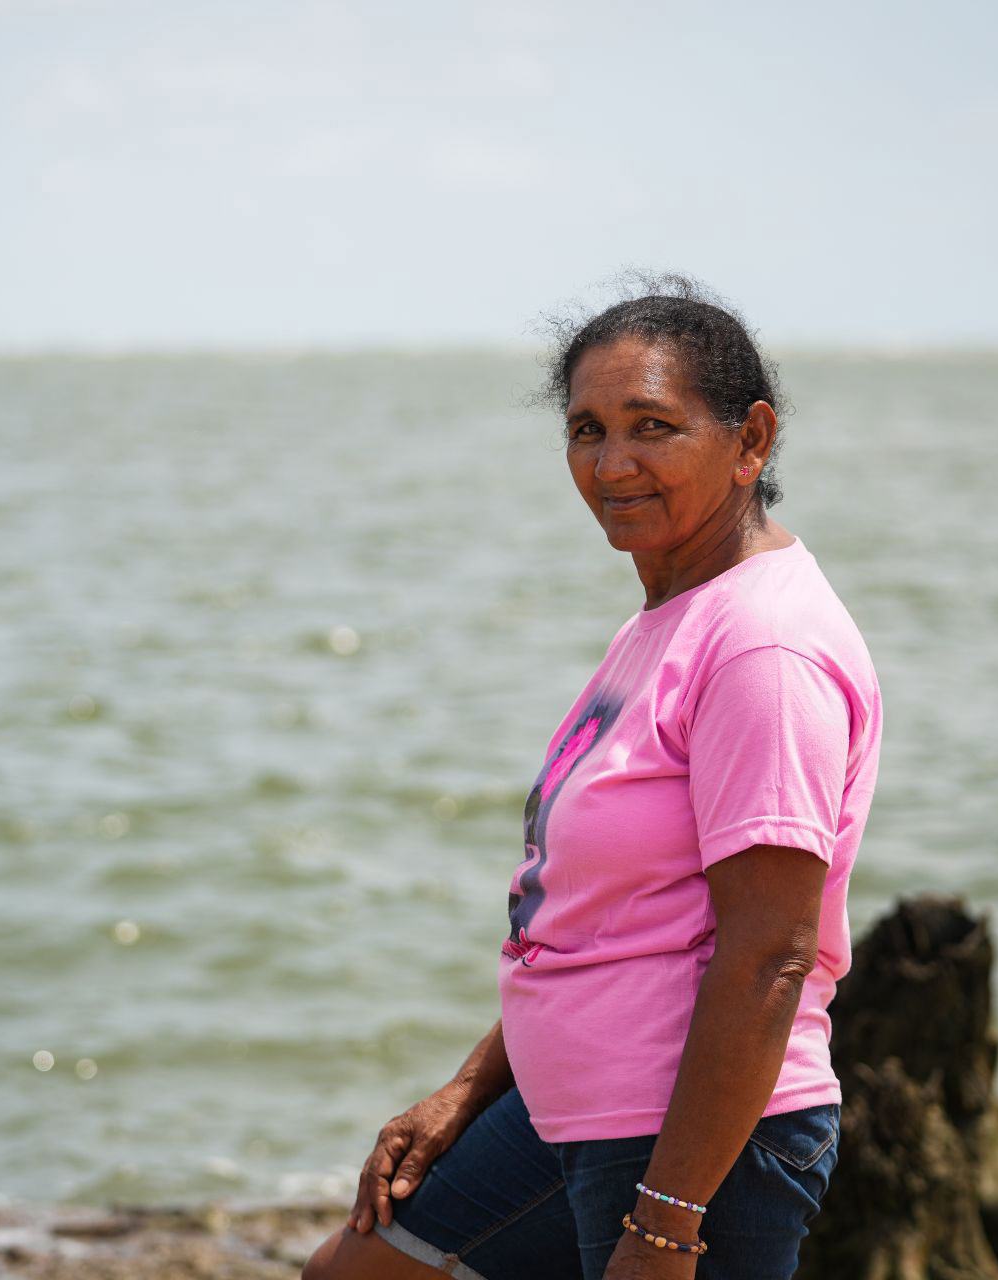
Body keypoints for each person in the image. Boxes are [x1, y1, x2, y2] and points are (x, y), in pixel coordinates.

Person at [303, 276, 883, 1280]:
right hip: (568, 1106)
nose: (613, 464)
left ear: (750, 439)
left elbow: (770, 953)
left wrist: (665, 1223)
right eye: (587, 429)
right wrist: (467, 1089)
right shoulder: (663, 620)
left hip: (695, 1139)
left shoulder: (762, 645)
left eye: (652, 425)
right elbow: (597, 917)